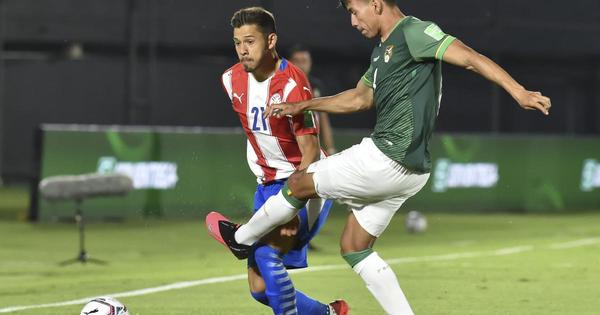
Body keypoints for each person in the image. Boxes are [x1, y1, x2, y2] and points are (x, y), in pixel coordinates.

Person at [207, 1, 551, 314]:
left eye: (355, 11)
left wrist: (518, 91)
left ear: (376, 4)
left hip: (387, 156)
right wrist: (303, 105)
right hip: (410, 172)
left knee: (299, 182)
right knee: (354, 245)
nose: (353, 21)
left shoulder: (414, 32)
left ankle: (241, 239)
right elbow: (359, 98)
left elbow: (471, 57)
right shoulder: (382, 51)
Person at [206, 7, 349, 315]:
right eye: (237, 42)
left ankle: (240, 238)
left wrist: (294, 201)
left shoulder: (293, 83)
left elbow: (309, 149)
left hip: (303, 182)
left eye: (250, 41)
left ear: (271, 40)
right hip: (266, 186)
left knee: (269, 257)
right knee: (259, 290)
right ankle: (329, 313)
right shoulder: (231, 80)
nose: (243, 50)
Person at [289, 45, 337, 155]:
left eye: (304, 61)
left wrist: (330, 148)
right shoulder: (282, 85)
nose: (301, 65)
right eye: (297, 61)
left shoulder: (316, 86)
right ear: (290, 63)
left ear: (310, 63)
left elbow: (323, 118)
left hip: (311, 143)